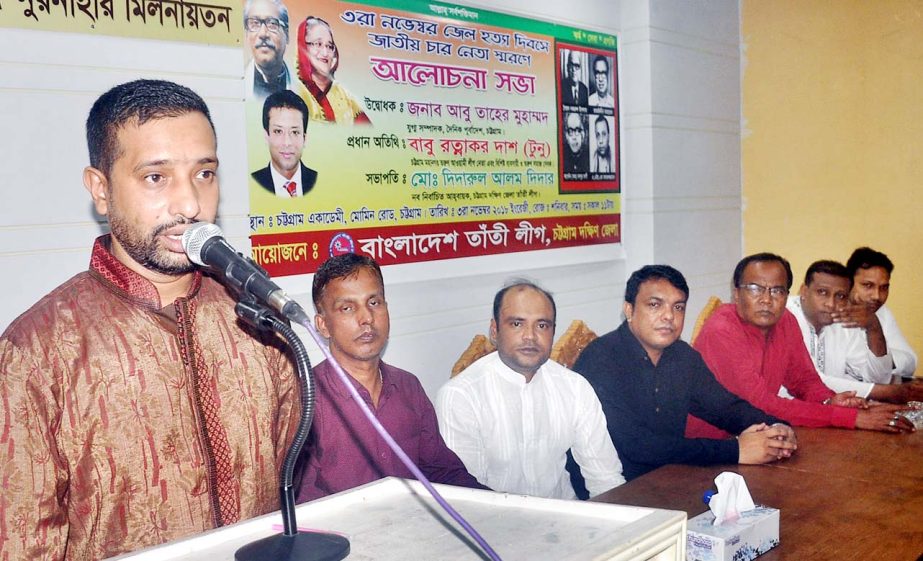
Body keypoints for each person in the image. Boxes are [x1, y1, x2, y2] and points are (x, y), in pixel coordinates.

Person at [0, 80, 301, 560]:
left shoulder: (257, 320)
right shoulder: (36, 351)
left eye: (205, 173)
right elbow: (21, 543)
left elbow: (291, 495)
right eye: (156, 177)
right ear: (101, 189)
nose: (189, 205)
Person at [573, 265, 797, 482]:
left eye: (678, 307)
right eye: (655, 305)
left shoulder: (681, 356)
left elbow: (724, 408)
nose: (668, 316)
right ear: (629, 310)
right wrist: (736, 450)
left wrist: (776, 428)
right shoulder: (601, 359)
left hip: (668, 479)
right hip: (614, 492)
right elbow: (638, 446)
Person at [296, 253, 482, 501]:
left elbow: (443, 471)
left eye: (374, 303)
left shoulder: (408, 386)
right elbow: (304, 506)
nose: (367, 319)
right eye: (347, 308)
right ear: (323, 325)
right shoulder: (304, 399)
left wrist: (505, 507)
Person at [687, 253, 913, 438]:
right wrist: (849, 418)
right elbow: (760, 404)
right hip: (707, 448)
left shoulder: (785, 320)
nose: (767, 299)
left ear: (787, 295)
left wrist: (830, 399)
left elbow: (803, 380)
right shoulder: (722, 329)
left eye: (777, 290)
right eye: (755, 288)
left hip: (756, 436)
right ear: (736, 294)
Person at [435, 281, 625, 499]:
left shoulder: (575, 387)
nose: (530, 336)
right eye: (517, 324)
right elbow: (466, 497)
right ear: (495, 331)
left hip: (564, 521)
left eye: (542, 325)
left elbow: (605, 478)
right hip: (491, 527)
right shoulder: (461, 396)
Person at [786, 260, 923, 403]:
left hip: (827, 409)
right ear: (804, 291)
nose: (831, 304)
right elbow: (809, 380)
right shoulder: (785, 317)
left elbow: (879, 378)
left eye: (840, 296)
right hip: (780, 414)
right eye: (822, 292)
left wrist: (874, 328)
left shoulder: (841, 320)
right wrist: (882, 392)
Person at [838, 247, 917, 376]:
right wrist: (883, 359)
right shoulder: (831, 312)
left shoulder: (882, 312)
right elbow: (866, 371)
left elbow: (910, 361)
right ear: (848, 282)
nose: (877, 296)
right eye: (868, 285)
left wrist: (882, 362)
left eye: (884, 288)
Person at [295, 16, 370, 125]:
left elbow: (369, 134)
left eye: (330, 46)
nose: (325, 53)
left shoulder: (345, 97)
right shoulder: (293, 91)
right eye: (318, 44)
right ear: (303, 46)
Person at [251, 90, 318, 197]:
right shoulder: (253, 182)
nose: (287, 143)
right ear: (266, 136)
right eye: (278, 131)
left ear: (304, 138)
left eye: (295, 132)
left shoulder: (318, 181)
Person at [244, 0, 294, 98]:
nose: (263, 34)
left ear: (287, 35)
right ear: (247, 34)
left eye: (272, 23)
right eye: (255, 23)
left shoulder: (305, 91)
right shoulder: (236, 85)